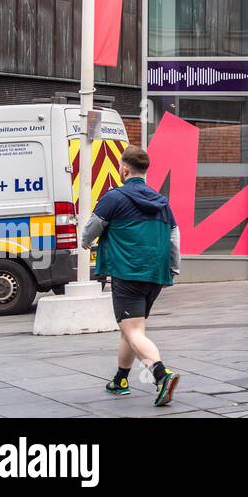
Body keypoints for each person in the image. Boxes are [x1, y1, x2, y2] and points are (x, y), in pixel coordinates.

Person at [81, 144, 182, 407]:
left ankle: (161, 374)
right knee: (131, 327)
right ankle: (120, 379)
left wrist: (85, 242)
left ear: (124, 169)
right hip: (155, 275)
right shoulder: (162, 202)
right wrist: (173, 268)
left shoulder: (114, 198)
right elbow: (173, 239)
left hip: (127, 272)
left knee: (133, 330)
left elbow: (92, 228)